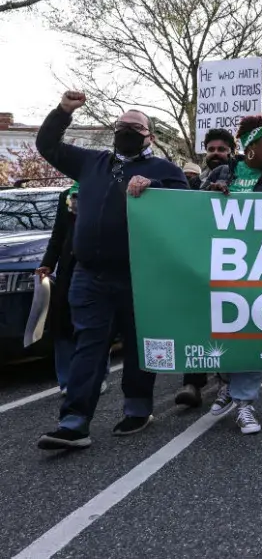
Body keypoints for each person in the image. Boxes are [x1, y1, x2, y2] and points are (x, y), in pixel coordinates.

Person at [36, 91, 188, 450]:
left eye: (136, 127)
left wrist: (156, 189)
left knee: (138, 345)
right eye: (121, 126)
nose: (127, 131)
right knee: (89, 346)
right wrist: (63, 112)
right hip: (90, 276)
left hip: (142, 277)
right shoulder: (92, 163)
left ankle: (137, 408)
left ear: (149, 136)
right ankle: (74, 423)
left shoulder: (164, 170)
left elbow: (186, 206)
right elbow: (47, 145)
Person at [202, 114, 262, 435]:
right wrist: (209, 195)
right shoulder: (220, 173)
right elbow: (188, 212)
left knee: (254, 333)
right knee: (223, 331)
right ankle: (228, 383)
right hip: (221, 270)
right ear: (250, 146)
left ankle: (244, 403)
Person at [173, 129, 237, 408]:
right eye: (210, 149)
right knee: (198, 322)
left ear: (232, 152)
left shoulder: (242, 177)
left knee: (232, 322)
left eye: (222, 149)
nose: (215, 154)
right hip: (202, 264)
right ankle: (193, 383)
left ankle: (229, 382)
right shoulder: (194, 184)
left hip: (236, 265)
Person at [36, 183, 110, 396]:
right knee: (63, 324)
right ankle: (67, 380)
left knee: (95, 323)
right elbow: (59, 233)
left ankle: (97, 376)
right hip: (69, 267)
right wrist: (48, 262)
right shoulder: (66, 196)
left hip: (97, 266)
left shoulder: (106, 189)